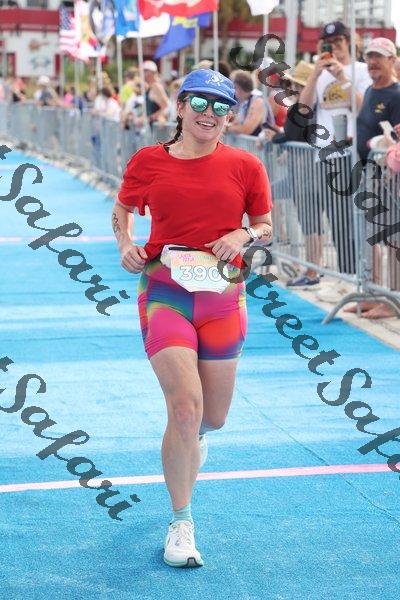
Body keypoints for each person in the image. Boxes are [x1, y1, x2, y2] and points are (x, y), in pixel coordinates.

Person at [112, 69, 272, 568]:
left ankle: (196, 438)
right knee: (184, 406)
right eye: (200, 103)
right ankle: (181, 522)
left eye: (222, 107)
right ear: (180, 107)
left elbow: (265, 225)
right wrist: (125, 243)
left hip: (223, 297)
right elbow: (122, 207)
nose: (210, 114)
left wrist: (243, 235)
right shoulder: (148, 161)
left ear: (230, 117)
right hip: (165, 292)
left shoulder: (246, 165)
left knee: (211, 417)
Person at [298, 21, 372, 301]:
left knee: (350, 220)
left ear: (349, 42)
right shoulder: (319, 74)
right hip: (325, 154)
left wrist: (342, 76)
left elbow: (364, 108)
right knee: (335, 219)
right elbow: (303, 109)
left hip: (351, 153)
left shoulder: (361, 70)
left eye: (339, 41)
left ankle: (353, 277)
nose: (335, 47)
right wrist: (315, 75)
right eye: (329, 43)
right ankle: (344, 276)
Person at [346, 37, 400, 319]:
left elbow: (396, 139)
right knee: (372, 238)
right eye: (369, 57)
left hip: (390, 178)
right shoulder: (369, 91)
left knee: (393, 240)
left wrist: (386, 174)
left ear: (392, 60)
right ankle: (374, 294)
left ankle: (392, 300)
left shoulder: (397, 94)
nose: (373, 62)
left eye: (379, 56)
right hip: (369, 174)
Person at [228, 70, 274, 136]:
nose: (232, 91)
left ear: (238, 87)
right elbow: (236, 124)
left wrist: (226, 128)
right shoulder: (246, 102)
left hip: (264, 142)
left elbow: (246, 129)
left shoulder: (258, 101)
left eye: (233, 87)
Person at [141, 60, 169, 127]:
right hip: (151, 127)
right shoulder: (149, 87)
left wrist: (151, 117)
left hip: (157, 128)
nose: (142, 73)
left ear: (152, 72)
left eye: (145, 70)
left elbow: (166, 107)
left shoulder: (156, 86)